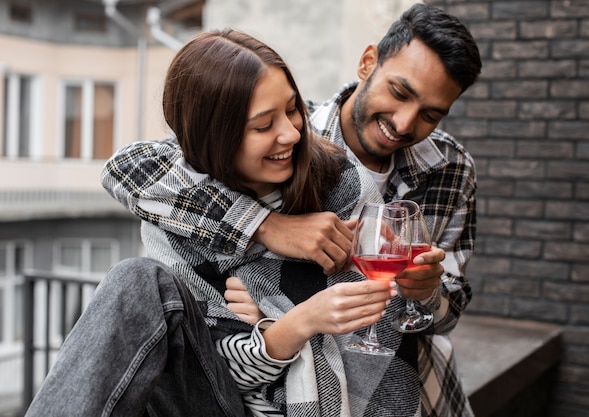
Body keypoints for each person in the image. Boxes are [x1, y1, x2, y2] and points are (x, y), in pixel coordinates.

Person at [103, 3, 482, 416]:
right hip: (289, 385)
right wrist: (267, 225)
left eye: (430, 114)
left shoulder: (451, 169)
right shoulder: (292, 139)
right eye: (399, 92)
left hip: (415, 389)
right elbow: (130, 168)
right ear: (368, 62)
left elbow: (448, 311)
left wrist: (425, 291)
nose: (406, 123)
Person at [25, 29, 396, 417]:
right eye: (262, 125)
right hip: (213, 399)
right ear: (213, 137)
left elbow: (377, 345)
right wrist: (266, 227)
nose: (291, 132)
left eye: (291, 109)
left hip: (309, 405)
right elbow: (121, 167)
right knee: (137, 279)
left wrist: (283, 323)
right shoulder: (176, 207)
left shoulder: (342, 186)